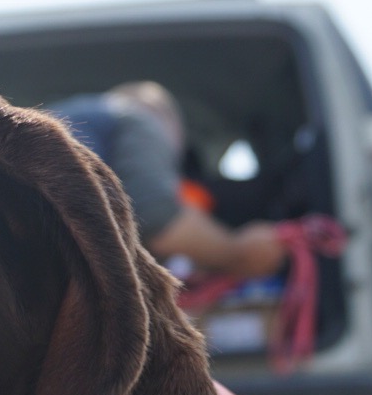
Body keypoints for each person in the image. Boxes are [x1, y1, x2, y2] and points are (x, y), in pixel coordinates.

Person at [48, 81, 285, 279]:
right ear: (168, 121)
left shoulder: (65, 121)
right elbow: (158, 219)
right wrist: (237, 253)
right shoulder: (139, 117)